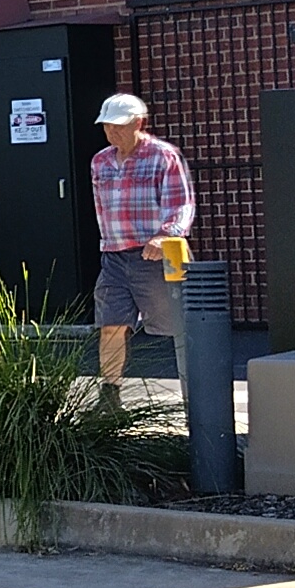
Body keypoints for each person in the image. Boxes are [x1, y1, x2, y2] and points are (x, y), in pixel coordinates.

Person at [89, 91, 194, 387]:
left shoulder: (163, 156)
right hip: (114, 257)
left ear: (139, 123)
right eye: (107, 126)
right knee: (110, 324)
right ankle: (110, 395)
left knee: (178, 327)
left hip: (155, 256)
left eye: (119, 125)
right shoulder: (100, 162)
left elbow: (180, 204)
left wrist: (165, 236)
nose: (112, 131)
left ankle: (194, 395)